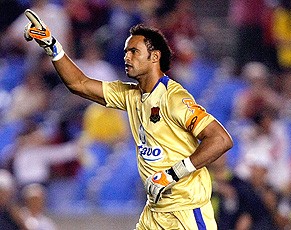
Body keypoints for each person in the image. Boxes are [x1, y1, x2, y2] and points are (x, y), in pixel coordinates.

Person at [23, 9, 233, 229]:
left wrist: (173, 173)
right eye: (126, 52)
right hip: (155, 211)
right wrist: (53, 47)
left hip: (186, 212)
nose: (127, 57)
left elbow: (220, 139)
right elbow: (80, 84)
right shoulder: (131, 95)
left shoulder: (174, 99)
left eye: (134, 52)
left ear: (155, 57)